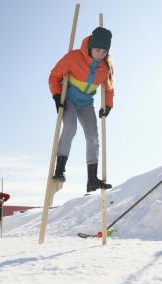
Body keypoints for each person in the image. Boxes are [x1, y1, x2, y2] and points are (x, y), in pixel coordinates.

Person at [49, 26, 114, 193]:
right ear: (91, 46)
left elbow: (108, 88)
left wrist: (108, 105)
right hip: (69, 100)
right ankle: (59, 170)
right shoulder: (73, 57)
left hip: (86, 104)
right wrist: (57, 96)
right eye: (98, 50)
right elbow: (54, 76)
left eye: (104, 52)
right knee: (70, 127)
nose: (100, 54)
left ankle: (92, 179)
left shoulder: (105, 67)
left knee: (93, 136)